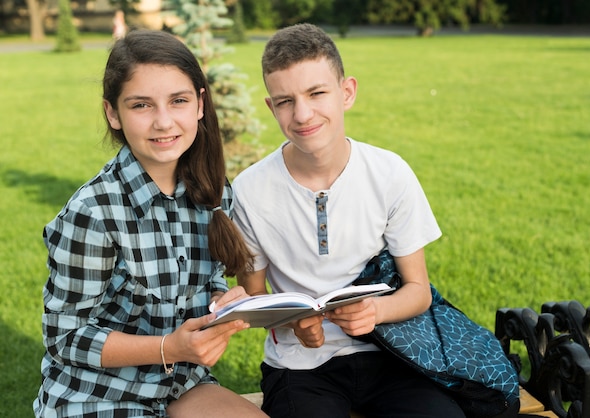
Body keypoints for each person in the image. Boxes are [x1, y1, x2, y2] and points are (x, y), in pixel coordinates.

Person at [232, 23, 466, 418]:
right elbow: (255, 300)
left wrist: (375, 312)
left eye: (317, 93)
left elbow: (418, 290)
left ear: (347, 92)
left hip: (392, 355)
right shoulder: (249, 189)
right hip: (299, 367)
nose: (303, 113)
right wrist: (296, 326)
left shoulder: (389, 173)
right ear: (271, 107)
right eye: (286, 100)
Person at [33, 29, 268, 418]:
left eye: (178, 101)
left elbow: (203, 284)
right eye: (141, 105)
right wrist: (168, 348)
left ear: (199, 104)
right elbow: (64, 338)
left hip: (181, 385)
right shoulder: (93, 212)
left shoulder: (212, 192)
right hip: (96, 394)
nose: (163, 121)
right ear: (113, 113)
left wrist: (221, 306)